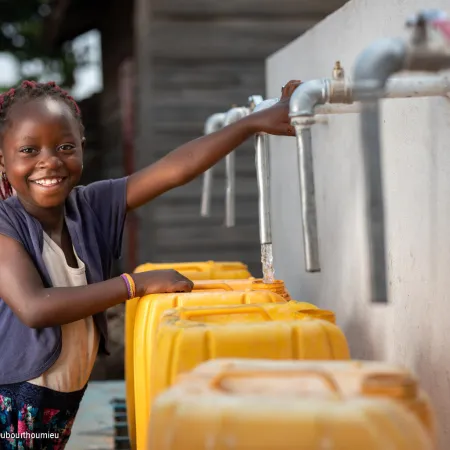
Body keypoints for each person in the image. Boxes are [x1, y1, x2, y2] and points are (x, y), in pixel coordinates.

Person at [0, 78, 301, 448]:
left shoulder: (91, 207)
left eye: (64, 146)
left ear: (82, 147)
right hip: (12, 400)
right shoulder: (4, 225)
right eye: (29, 150)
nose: (49, 161)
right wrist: (134, 285)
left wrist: (249, 124)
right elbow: (34, 307)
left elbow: (174, 170)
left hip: (62, 397)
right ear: (3, 158)